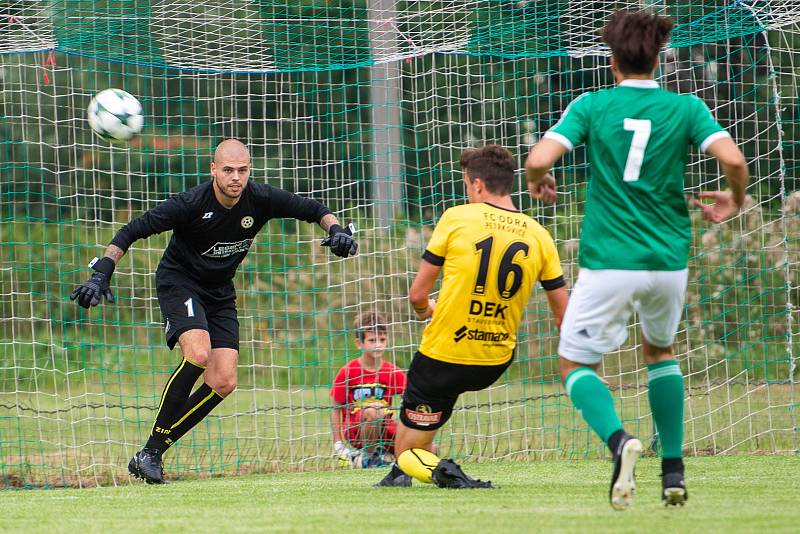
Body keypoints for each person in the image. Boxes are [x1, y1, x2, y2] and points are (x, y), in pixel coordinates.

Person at [525, 10, 749, 510]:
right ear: (659, 57)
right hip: (669, 260)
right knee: (660, 353)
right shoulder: (686, 107)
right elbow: (734, 161)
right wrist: (733, 198)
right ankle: (673, 469)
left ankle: (618, 441)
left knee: (574, 361)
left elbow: (539, 159)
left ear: (611, 60)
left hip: (610, 259)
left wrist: (536, 181)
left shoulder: (592, 104)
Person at [69, 139, 358, 484]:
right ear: (214, 170)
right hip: (179, 283)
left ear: (249, 170)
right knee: (199, 354)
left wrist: (337, 229)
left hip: (220, 293)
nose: (236, 177)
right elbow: (131, 231)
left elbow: (313, 208)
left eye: (242, 170)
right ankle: (151, 452)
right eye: (228, 170)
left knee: (223, 381)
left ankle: (151, 451)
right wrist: (102, 273)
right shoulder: (190, 203)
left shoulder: (260, 198)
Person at [376, 144, 569, 488]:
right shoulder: (540, 235)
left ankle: (447, 474)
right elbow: (563, 316)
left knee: (405, 452)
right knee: (423, 424)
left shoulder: (457, 217)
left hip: (445, 356)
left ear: (477, 185)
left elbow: (418, 294)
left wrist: (426, 312)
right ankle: (402, 475)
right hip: (494, 360)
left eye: (467, 186)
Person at [330, 312, 407, 471]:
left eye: (382, 340)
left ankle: (385, 456)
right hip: (357, 429)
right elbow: (335, 407)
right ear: (359, 343)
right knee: (373, 411)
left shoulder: (394, 372)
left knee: (430, 448)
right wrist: (338, 444)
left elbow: (410, 402)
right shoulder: (348, 371)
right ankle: (368, 457)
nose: (378, 345)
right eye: (372, 340)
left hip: (385, 428)